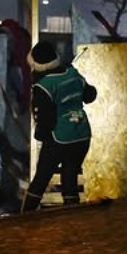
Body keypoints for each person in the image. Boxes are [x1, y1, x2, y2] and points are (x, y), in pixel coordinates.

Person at [22, 41, 97, 211]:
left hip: (59, 138)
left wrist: (39, 135)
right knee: (70, 178)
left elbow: (45, 120)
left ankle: (25, 217)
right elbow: (90, 95)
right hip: (81, 135)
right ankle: (72, 216)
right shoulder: (72, 73)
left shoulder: (43, 86)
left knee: (41, 179)